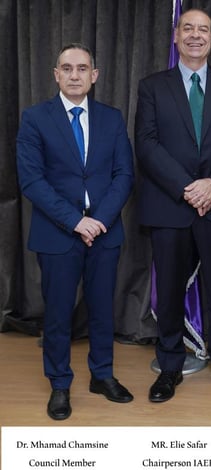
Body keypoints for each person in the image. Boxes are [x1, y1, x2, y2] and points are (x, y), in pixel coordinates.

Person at [135, 8, 211, 402]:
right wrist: (188, 188)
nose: (195, 35)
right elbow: (147, 144)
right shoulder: (152, 86)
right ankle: (170, 366)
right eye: (187, 28)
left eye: (203, 29)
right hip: (170, 205)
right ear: (176, 36)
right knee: (169, 290)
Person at [16, 43, 134, 420]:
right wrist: (75, 221)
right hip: (58, 233)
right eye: (67, 68)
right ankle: (59, 384)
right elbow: (32, 181)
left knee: (102, 309)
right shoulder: (35, 118)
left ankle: (102, 375)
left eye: (82, 68)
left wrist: (99, 219)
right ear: (56, 75)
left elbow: (124, 174)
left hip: (104, 230)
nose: (74, 75)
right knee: (57, 313)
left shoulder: (112, 118)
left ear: (94, 76)